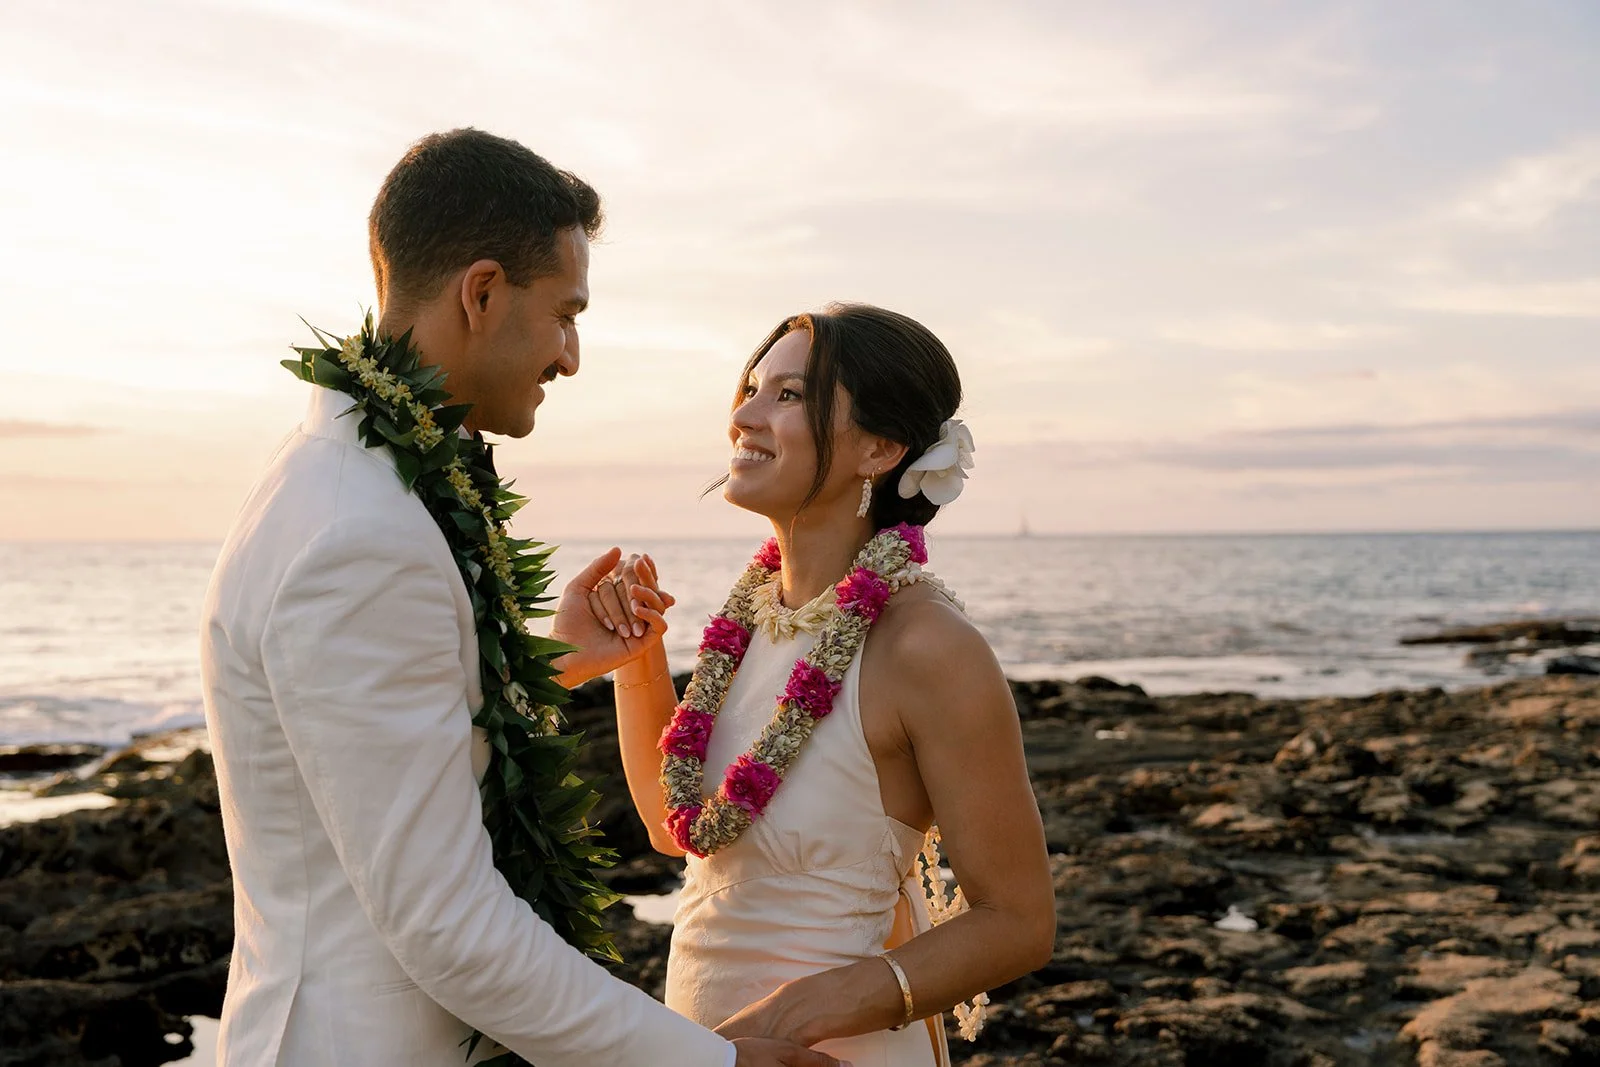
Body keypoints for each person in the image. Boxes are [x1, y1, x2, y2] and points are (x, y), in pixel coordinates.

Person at [198, 128, 843, 1067]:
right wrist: (716, 1063)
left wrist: (555, 660)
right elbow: (446, 923)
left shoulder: (355, 483)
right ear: (484, 291)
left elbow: (382, 756)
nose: (572, 355)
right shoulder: (361, 534)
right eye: (565, 313)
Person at [602, 304, 1057, 1065]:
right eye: (751, 387)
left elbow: (1017, 918)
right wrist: (638, 658)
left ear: (880, 447)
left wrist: (792, 1017)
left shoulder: (926, 645)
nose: (742, 416)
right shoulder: (754, 620)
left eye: (786, 395)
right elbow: (673, 830)